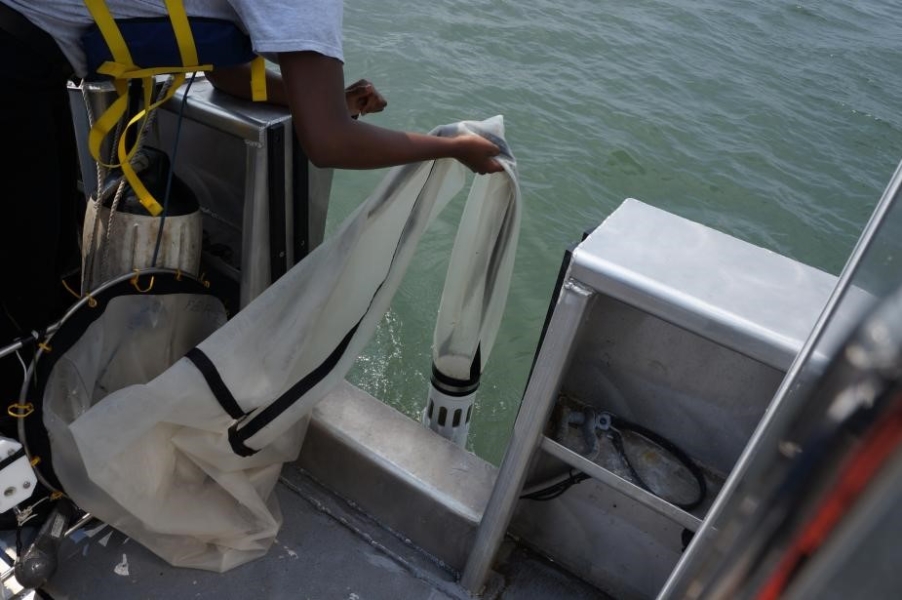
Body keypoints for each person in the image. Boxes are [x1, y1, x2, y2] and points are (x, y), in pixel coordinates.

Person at [0, 0, 503, 409]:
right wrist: (453, 148)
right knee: (24, 288)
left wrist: (326, 102)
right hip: (14, 59)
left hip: (30, 60)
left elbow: (229, 76)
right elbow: (329, 144)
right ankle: (20, 460)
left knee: (46, 257)